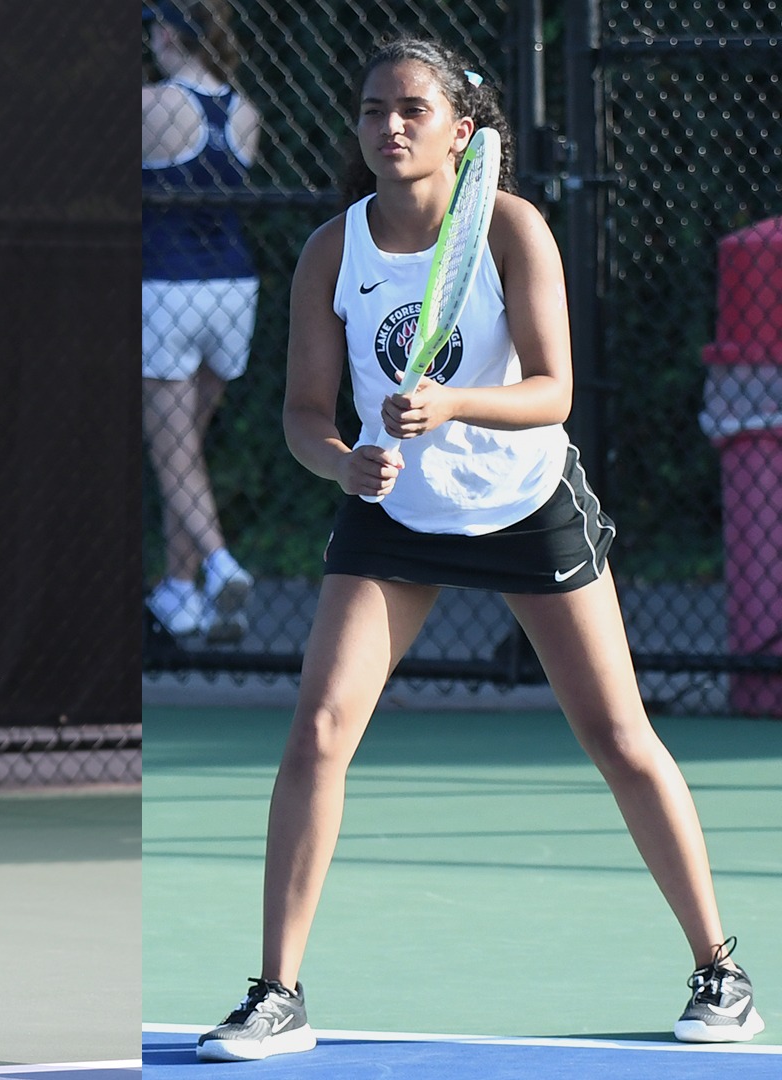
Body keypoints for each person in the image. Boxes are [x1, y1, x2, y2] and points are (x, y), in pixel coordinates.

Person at [194, 39, 759, 1063]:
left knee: (619, 737)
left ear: (461, 131)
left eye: (411, 109)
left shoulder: (510, 227)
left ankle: (721, 969)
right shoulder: (331, 250)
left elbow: (554, 390)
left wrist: (452, 403)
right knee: (317, 731)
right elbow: (304, 414)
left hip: (524, 504)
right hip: (394, 514)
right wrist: (342, 465)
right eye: (373, 109)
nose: (388, 126)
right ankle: (277, 992)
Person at [141, 0, 259, 644]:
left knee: (173, 451)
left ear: (166, 32)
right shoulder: (246, 111)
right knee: (183, 450)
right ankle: (180, 591)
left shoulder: (151, 104)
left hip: (167, 287)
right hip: (234, 290)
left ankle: (218, 564)